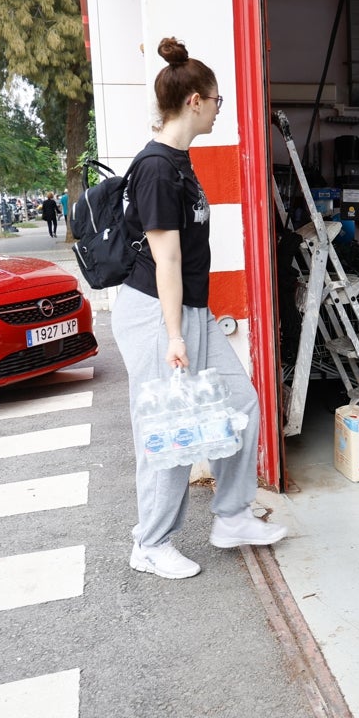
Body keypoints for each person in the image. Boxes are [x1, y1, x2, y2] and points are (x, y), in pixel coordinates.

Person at [112, 36, 286, 580]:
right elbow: (165, 260)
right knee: (171, 431)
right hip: (158, 316)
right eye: (217, 101)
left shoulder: (180, 161)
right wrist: (176, 338)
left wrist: (192, 324)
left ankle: (231, 516)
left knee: (242, 404)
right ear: (194, 101)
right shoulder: (158, 169)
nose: (218, 109)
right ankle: (151, 542)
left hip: (190, 312)